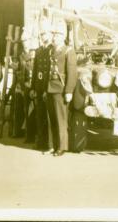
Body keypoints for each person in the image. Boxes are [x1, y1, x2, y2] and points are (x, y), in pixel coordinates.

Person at [46, 20, 77, 156]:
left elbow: (72, 73)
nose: (54, 37)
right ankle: (53, 145)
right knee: (51, 118)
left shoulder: (68, 51)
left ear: (63, 36)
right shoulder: (51, 50)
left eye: (57, 35)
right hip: (50, 88)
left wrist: (69, 91)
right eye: (53, 34)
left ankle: (62, 147)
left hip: (61, 88)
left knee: (61, 119)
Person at [31, 19, 52, 151]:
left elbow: (51, 72)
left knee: (49, 117)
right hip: (38, 88)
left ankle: (49, 144)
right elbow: (35, 71)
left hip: (47, 89)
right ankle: (41, 142)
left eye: (44, 34)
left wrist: (46, 89)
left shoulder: (52, 50)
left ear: (49, 34)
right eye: (41, 34)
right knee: (40, 116)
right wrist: (33, 87)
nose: (42, 36)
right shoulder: (39, 51)